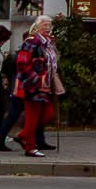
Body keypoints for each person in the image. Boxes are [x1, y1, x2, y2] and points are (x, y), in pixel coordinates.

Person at [11, 16, 63, 157]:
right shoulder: (32, 42)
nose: (48, 28)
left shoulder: (48, 43)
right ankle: (30, 147)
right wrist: (36, 79)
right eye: (45, 25)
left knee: (47, 114)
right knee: (33, 117)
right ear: (38, 26)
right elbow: (22, 64)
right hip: (32, 86)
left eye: (49, 25)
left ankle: (23, 135)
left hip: (45, 85)